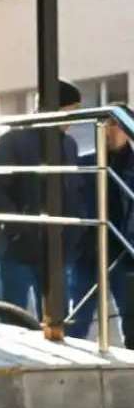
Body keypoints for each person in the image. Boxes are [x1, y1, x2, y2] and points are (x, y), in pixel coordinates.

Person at [0, 82, 84, 321]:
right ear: (57, 108)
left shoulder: (69, 144)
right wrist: (20, 227)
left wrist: (73, 236)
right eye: (73, 109)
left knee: (57, 321)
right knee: (10, 320)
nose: (75, 118)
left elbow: (73, 191)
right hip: (17, 249)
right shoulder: (14, 139)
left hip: (56, 250)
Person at [70, 107, 134, 347]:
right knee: (77, 319)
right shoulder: (85, 162)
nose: (109, 130)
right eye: (105, 124)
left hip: (124, 251)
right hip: (88, 252)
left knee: (131, 319)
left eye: (116, 125)